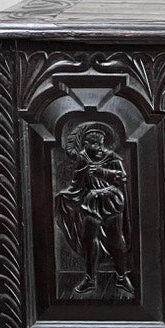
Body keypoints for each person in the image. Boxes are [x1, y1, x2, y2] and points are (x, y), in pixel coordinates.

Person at [55, 122, 133, 295]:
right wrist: (67, 194)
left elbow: (122, 178)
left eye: (101, 143)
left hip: (111, 199)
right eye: (95, 144)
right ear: (86, 145)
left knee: (115, 237)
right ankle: (90, 279)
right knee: (88, 237)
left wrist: (101, 171)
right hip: (91, 202)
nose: (100, 147)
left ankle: (122, 276)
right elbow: (76, 182)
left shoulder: (111, 157)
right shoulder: (83, 158)